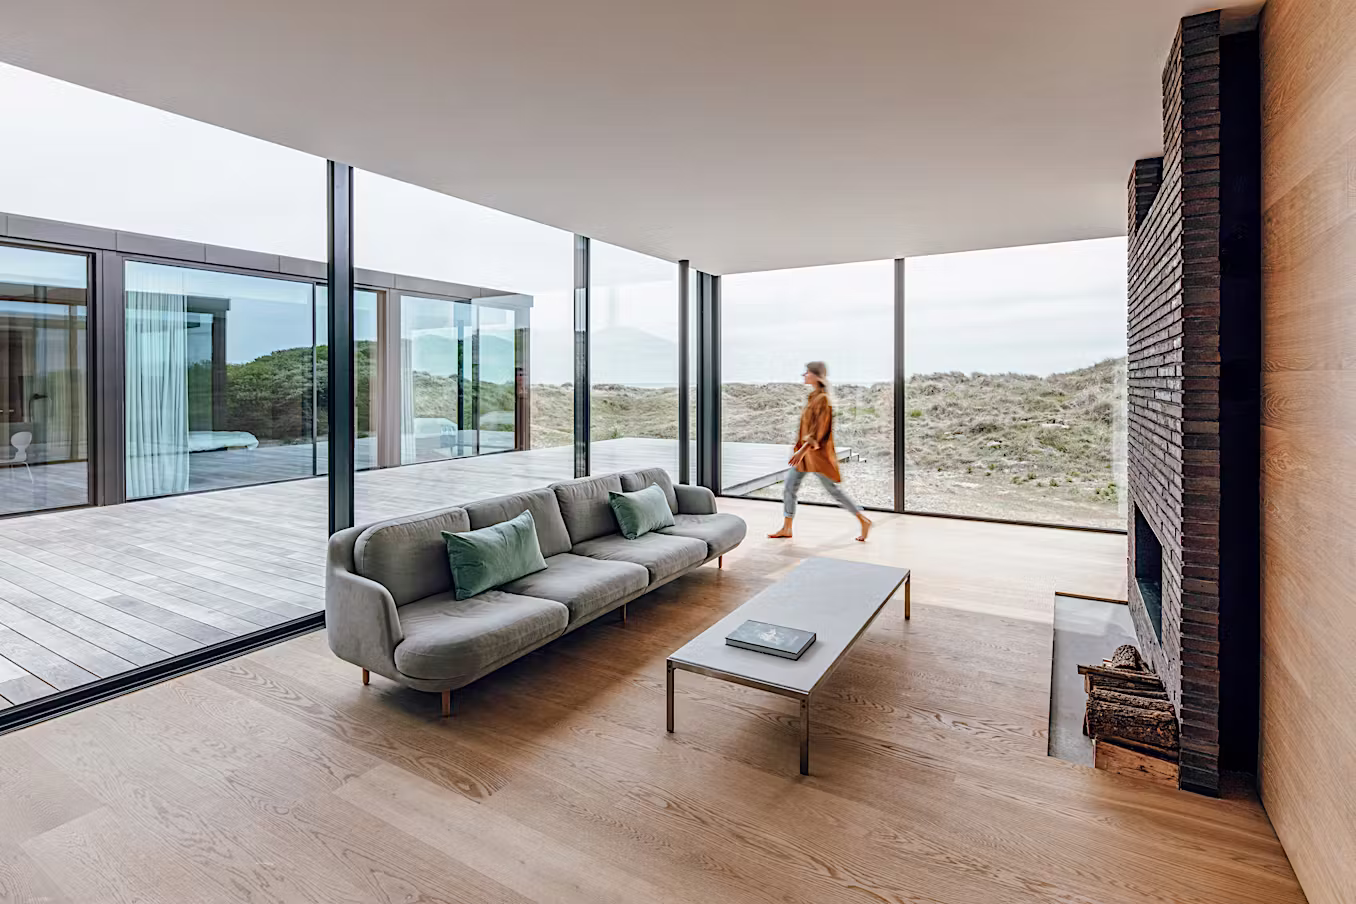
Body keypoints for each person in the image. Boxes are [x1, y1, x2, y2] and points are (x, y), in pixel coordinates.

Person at [768, 361, 871, 542]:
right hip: (805, 456)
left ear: (816, 376)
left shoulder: (823, 400)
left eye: (807, 372)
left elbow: (818, 432)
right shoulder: (813, 397)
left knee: (833, 491)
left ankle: (863, 519)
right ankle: (787, 527)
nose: (804, 375)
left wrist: (801, 451)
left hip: (816, 456)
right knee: (789, 487)